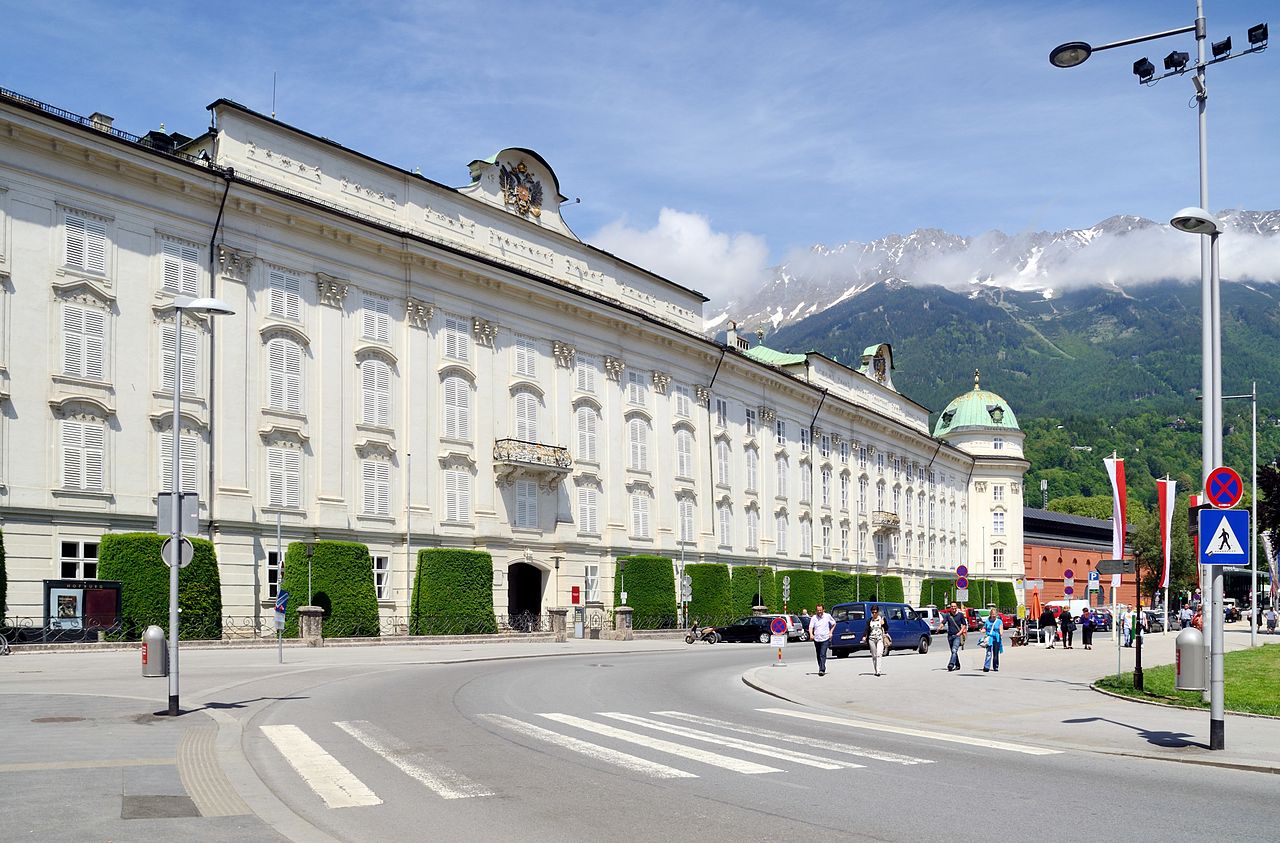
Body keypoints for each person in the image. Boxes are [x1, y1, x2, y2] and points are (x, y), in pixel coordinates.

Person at [808, 604, 837, 677]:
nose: (819, 612)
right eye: (818, 610)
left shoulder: (827, 616)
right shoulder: (814, 618)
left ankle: (822, 669)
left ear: (823, 610)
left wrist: (830, 632)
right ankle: (820, 667)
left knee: (822, 654)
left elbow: (834, 624)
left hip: (825, 638)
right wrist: (811, 634)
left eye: (820, 610)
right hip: (817, 638)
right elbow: (811, 627)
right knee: (818, 654)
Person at [861, 604, 889, 676]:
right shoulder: (869, 620)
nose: (874, 614)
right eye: (873, 612)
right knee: (874, 655)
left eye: (875, 612)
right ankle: (876, 669)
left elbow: (886, 629)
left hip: (880, 639)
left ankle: (878, 671)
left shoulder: (882, 619)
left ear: (878, 612)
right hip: (871, 639)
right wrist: (864, 636)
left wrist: (884, 624)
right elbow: (866, 629)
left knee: (879, 654)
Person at [945, 603, 966, 671]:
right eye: (952, 606)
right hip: (950, 636)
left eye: (954, 606)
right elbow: (943, 622)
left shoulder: (960, 615)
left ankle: (951, 664)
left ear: (957, 607)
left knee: (954, 650)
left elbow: (964, 625)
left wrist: (960, 632)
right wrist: (940, 627)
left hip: (957, 635)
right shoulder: (948, 615)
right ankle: (958, 664)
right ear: (950, 607)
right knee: (953, 652)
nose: (953, 607)